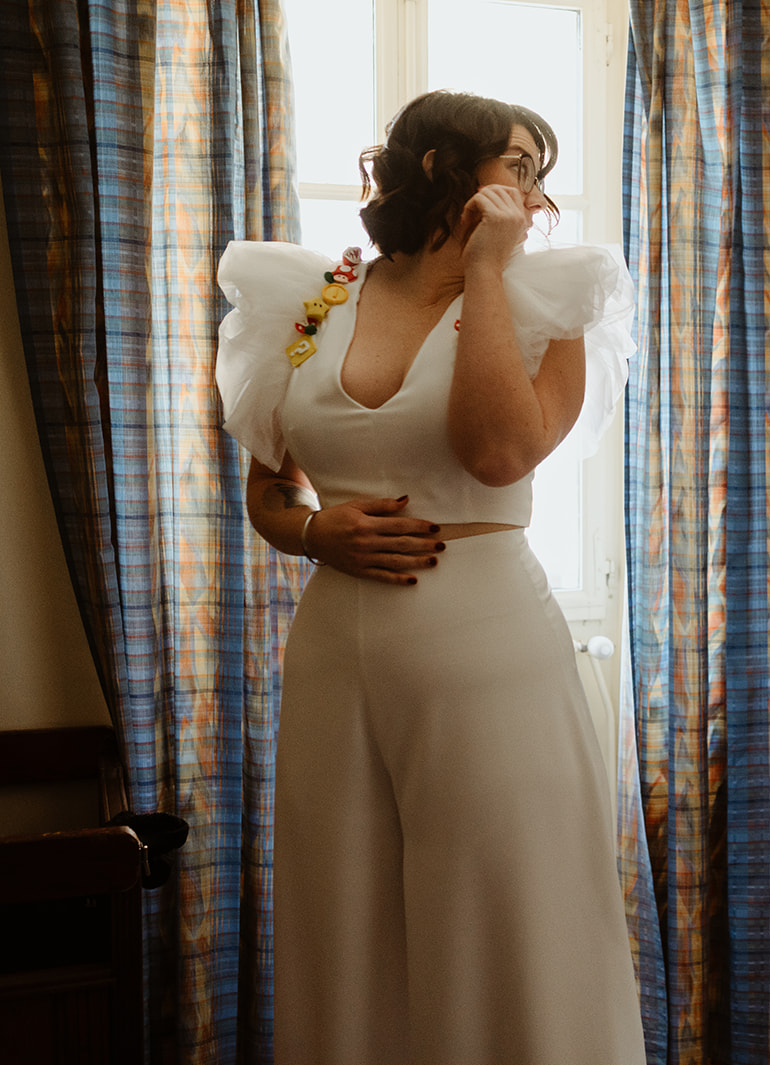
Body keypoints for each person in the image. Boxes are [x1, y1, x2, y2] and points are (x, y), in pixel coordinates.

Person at [214, 90, 645, 1063]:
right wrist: (318, 531)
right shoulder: (315, 299)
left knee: (504, 911)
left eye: (542, 174)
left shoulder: (550, 305)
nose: (539, 197)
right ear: (440, 168)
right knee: (346, 908)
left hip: (486, 646)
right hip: (333, 654)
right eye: (521, 167)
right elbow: (269, 493)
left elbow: (496, 455)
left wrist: (486, 273)